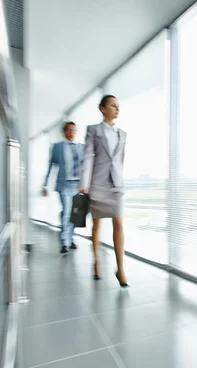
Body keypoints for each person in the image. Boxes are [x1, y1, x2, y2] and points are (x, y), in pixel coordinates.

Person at [79, 95, 129, 287]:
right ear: (102, 108)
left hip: (115, 184)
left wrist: (120, 178)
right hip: (97, 183)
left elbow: (120, 160)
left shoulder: (122, 134)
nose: (117, 108)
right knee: (97, 225)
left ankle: (121, 269)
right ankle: (96, 261)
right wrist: (85, 182)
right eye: (113, 105)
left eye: (118, 106)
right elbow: (88, 156)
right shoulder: (93, 130)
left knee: (119, 222)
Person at [43, 121, 84, 254]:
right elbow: (51, 165)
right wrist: (45, 184)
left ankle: (70, 238)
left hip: (77, 185)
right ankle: (64, 242)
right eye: (70, 130)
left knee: (75, 214)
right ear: (64, 132)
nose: (72, 132)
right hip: (64, 185)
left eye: (74, 130)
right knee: (66, 212)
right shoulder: (57, 147)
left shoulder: (81, 147)